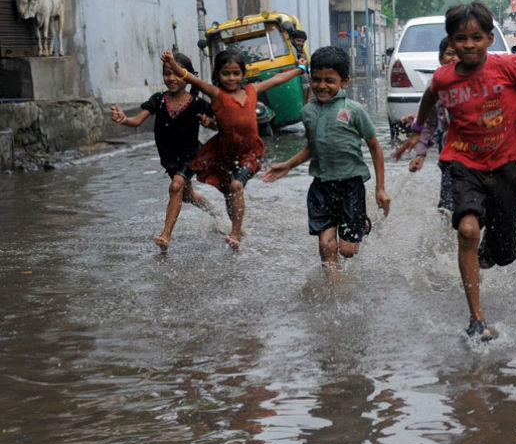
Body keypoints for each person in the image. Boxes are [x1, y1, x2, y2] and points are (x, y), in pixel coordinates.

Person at [394, 1, 516, 342]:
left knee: (504, 253)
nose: (468, 45)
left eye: (476, 37)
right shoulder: (444, 77)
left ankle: (494, 249)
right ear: (451, 42)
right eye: (460, 38)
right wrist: (416, 132)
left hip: (504, 165)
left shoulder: (508, 66)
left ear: (488, 38)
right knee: (468, 231)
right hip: (463, 162)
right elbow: (429, 98)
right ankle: (476, 317)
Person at [263, 46, 391, 275]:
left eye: (329, 80)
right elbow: (313, 147)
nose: (322, 86)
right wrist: (288, 164)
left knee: (348, 251)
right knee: (325, 245)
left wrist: (380, 189)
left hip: (351, 185)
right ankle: (334, 293)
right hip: (321, 186)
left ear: (344, 82)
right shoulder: (308, 112)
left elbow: (375, 146)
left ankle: (362, 223)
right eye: (317, 80)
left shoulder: (354, 110)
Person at [161, 48, 305, 249]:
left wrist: (300, 68)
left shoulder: (252, 91)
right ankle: (234, 226)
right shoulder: (217, 95)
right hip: (225, 154)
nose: (231, 78)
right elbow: (191, 79)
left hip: (251, 152)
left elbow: (277, 80)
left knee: (236, 186)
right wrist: (173, 64)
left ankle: (235, 234)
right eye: (226, 73)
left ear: (243, 75)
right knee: (230, 194)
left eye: (236, 73)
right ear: (218, 75)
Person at [110, 52, 216, 250]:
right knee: (187, 196)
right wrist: (124, 119)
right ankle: (217, 215)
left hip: (192, 155)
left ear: (187, 75)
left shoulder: (196, 103)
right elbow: (137, 120)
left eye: (176, 74)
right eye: (167, 74)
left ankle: (166, 235)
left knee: (176, 186)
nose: (172, 79)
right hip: (169, 158)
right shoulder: (158, 100)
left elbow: (218, 124)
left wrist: (210, 124)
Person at [399, 37, 458, 213]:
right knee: (447, 201)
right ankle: (447, 231)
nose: (454, 58)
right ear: (440, 59)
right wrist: (421, 154)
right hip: (448, 144)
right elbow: (431, 120)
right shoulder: (436, 83)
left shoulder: (476, 80)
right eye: (449, 54)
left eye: (459, 54)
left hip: (476, 147)